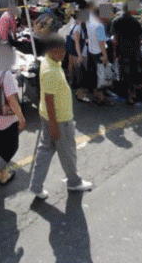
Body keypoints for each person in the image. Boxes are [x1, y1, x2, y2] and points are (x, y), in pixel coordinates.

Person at [29, 35, 93, 199]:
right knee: (68, 152)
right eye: (57, 52)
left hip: (47, 115)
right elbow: (50, 101)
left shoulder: (46, 60)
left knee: (45, 149)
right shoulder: (50, 71)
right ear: (49, 50)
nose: (61, 55)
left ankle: (36, 186)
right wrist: (54, 126)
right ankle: (74, 182)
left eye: (62, 50)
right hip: (59, 119)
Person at [0, 46, 26, 187]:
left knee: (1, 147)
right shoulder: (6, 75)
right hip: (6, 118)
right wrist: (21, 118)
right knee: (11, 148)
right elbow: (12, 100)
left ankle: (4, 175)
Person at [112, 0, 142, 105]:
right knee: (134, 72)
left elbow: (115, 39)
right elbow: (139, 38)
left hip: (122, 51)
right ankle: (132, 94)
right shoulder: (135, 22)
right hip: (134, 50)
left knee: (125, 73)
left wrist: (114, 53)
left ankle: (126, 95)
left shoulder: (116, 21)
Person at [82, 5, 113, 106]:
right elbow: (101, 42)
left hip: (91, 51)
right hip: (98, 52)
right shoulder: (99, 26)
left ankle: (96, 95)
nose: (107, 18)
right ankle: (101, 98)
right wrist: (105, 56)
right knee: (101, 76)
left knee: (94, 74)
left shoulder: (89, 20)